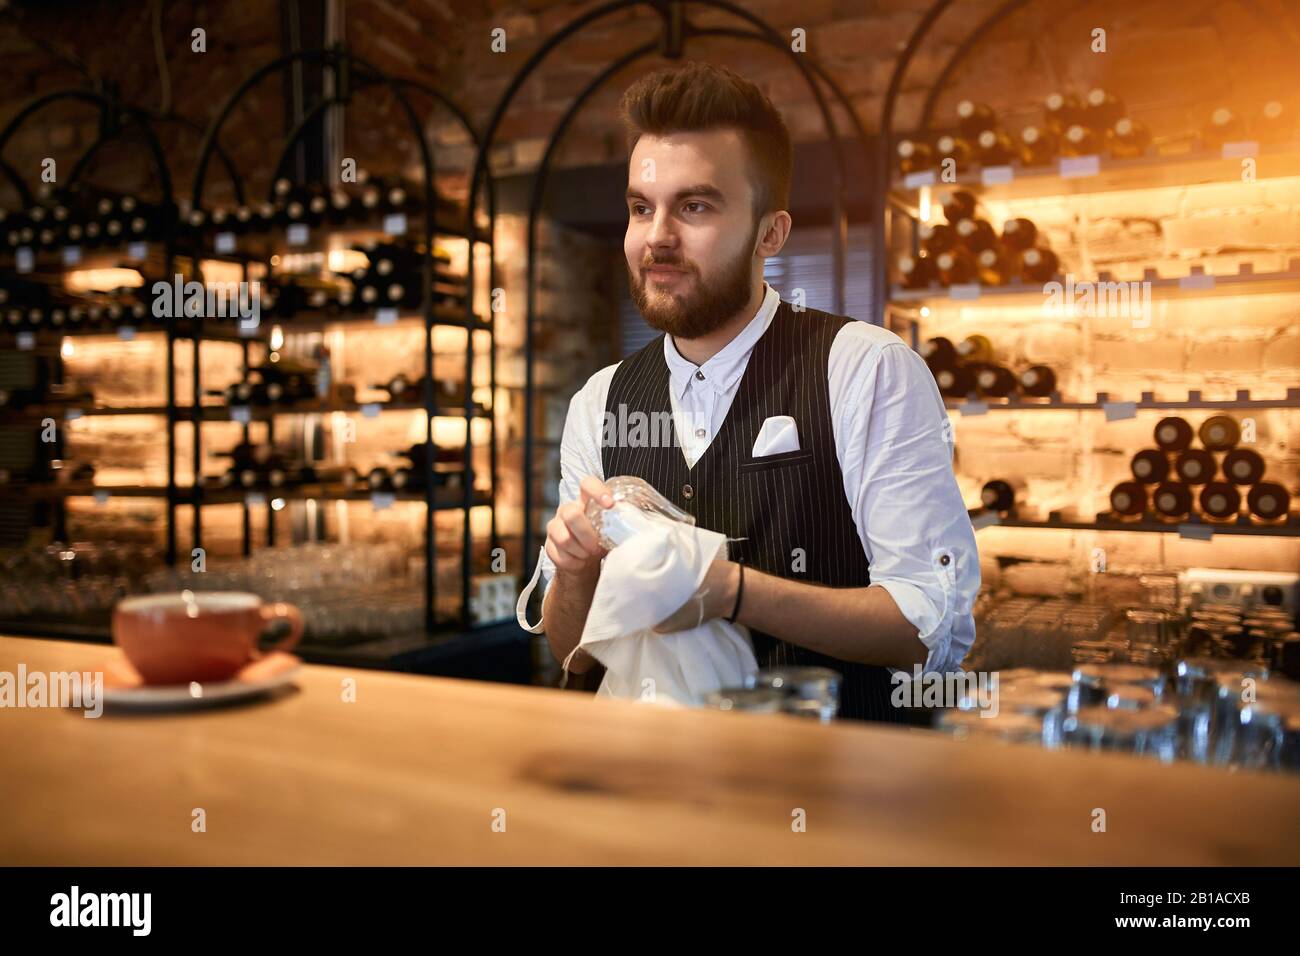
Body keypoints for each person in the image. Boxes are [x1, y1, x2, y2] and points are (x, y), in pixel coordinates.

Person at [534, 61, 979, 722]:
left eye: (695, 206)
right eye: (640, 208)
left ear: (771, 232)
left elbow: (930, 632)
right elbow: (575, 657)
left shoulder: (865, 369)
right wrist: (572, 571)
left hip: (843, 791)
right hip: (660, 788)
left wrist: (730, 592)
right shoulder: (601, 402)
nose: (657, 236)